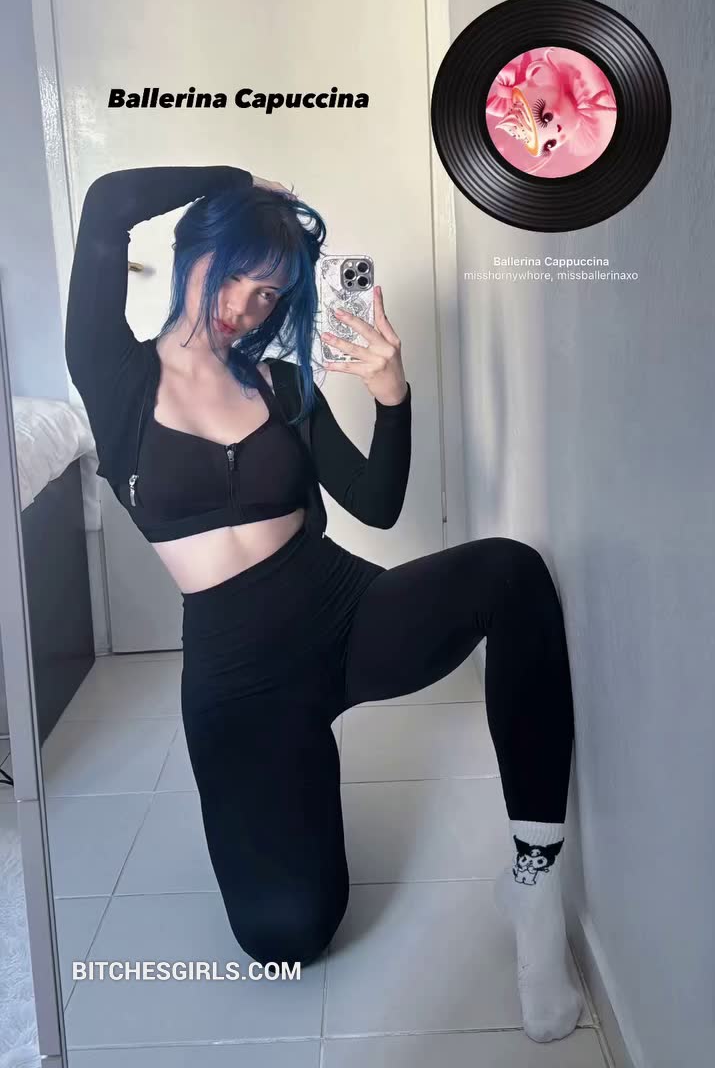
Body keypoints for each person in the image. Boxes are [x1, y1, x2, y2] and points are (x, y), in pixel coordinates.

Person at [64, 164, 581, 1044]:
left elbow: (377, 504)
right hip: (240, 678)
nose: (247, 307)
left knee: (511, 572)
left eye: (270, 294)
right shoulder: (116, 381)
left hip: (344, 612)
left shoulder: (281, 386)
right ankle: (301, 770)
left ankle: (535, 882)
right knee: (287, 938)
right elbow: (109, 200)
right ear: (193, 251)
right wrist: (243, 182)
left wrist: (392, 396)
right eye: (236, 275)